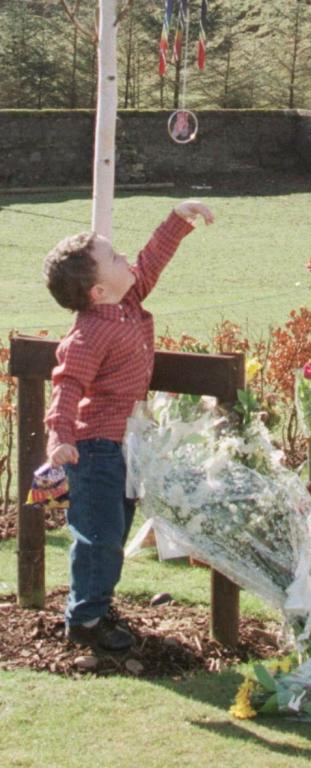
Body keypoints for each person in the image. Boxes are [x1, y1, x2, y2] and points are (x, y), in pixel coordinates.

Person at [43, 200, 214, 651]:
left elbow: (151, 261)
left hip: (123, 446)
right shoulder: (88, 334)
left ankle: (97, 604)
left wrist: (178, 219)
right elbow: (67, 385)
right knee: (98, 535)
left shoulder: (128, 300)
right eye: (115, 259)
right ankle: (85, 621)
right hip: (94, 448)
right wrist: (60, 437)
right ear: (97, 291)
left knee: (114, 531)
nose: (126, 261)